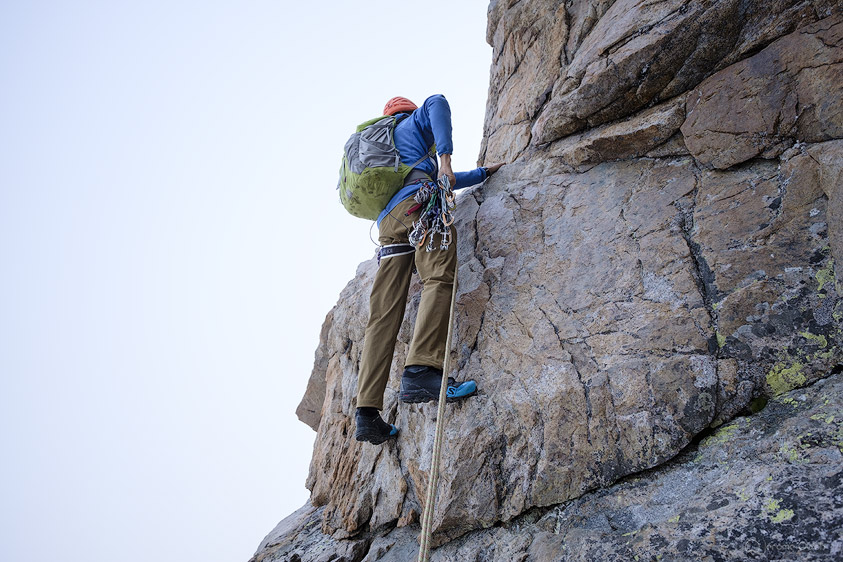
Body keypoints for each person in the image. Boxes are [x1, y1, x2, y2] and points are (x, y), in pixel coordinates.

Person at [354, 94, 504, 445]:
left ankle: (366, 414)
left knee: (383, 316)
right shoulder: (413, 123)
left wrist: (480, 174)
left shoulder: (384, 149)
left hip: (389, 225)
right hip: (418, 206)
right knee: (438, 277)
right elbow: (437, 101)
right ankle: (421, 370)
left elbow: (439, 180)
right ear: (408, 113)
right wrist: (446, 158)